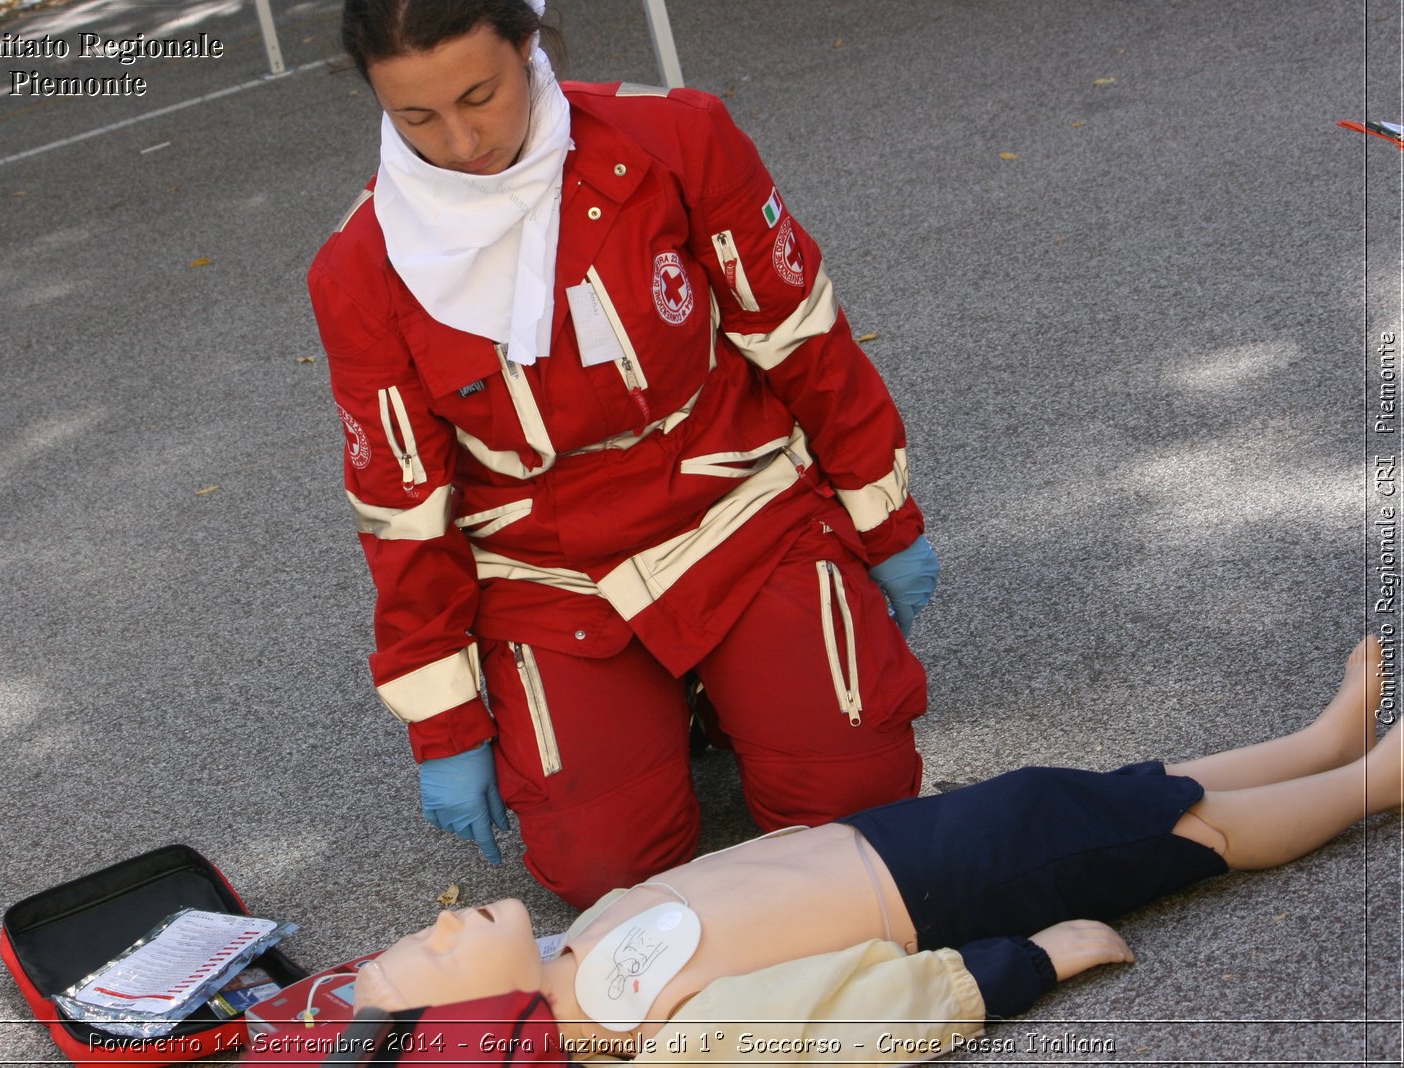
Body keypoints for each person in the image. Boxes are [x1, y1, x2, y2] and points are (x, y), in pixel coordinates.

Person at [308, 0, 940, 908]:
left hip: (735, 508)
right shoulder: (358, 268)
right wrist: (445, 726)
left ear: (529, 48)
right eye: (416, 117)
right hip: (548, 571)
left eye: (480, 95)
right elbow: (402, 509)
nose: (460, 138)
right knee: (604, 874)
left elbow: (802, 338)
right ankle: (681, 698)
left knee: (856, 810)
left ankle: (731, 686)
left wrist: (885, 521)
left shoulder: (678, 136)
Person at [349, 638, 1399, 1061]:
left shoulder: (577, 948)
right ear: (479, 1038)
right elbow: (842, 1028)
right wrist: (1024, 965)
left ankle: (1312, 747)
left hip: (887, 842)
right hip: (943, 890)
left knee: (1089, 796)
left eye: (421, 932)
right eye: (436, 956)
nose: (441, 922)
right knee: (1170, 834)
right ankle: (1369, 784)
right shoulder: (645, 1039)